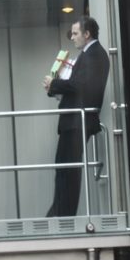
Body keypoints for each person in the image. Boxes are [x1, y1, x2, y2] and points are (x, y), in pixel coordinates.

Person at [43, 16, 109, 217]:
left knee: (68, 170)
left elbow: (80, 85)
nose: (72, 37)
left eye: (75, 33)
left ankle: (62, 215)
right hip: (74, 122)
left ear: (87, 34)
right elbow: (79, 85)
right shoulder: (90, 55)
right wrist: (56, 87)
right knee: (64, 169)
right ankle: (59, 212)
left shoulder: (95, 55)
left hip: (77, 123)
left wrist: (54, 83)